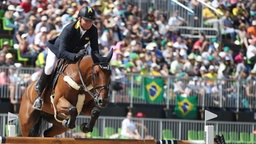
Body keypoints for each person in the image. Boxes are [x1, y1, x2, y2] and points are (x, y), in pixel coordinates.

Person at [32, 6, 100, 110]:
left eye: (91, 21)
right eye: (86, 20)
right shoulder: (69, 29)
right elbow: (61, 52)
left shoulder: (93, 30)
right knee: (50, 67)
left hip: (74, 51)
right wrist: (75, 56)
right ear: (79, 19)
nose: (89, 23)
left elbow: (95, 49)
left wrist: (99, 61)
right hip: (57, 50)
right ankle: (39, 94)